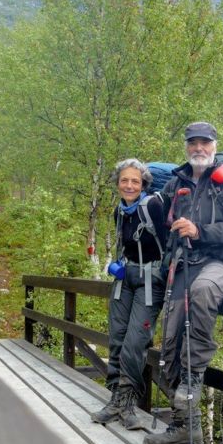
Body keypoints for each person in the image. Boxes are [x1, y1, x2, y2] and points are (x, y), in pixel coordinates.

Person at [143, 122, 223, 444]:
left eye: (205, 142)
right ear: (186, 146)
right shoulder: (176, 182)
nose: (199, 148)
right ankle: (185, 425)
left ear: (215, 145)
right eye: (193, 143)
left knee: (203, 293)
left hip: (219, 263)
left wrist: (199, 231)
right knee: (171, 339)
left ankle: (191, 382)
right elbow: (161, 224)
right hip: (183, 264)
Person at [90, 159, 167, 429]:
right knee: (117, 338)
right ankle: (116, 399)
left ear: (144, 183)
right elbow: (125, 245)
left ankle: (128, 403)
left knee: (136, 342)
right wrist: (117, 264)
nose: (130, 185)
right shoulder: (119, 211)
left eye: (135, 181)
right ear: (118, 183)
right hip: (125, 280)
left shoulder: (154, 206)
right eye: (125, 180)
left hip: (150, 282)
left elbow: (168, 244)